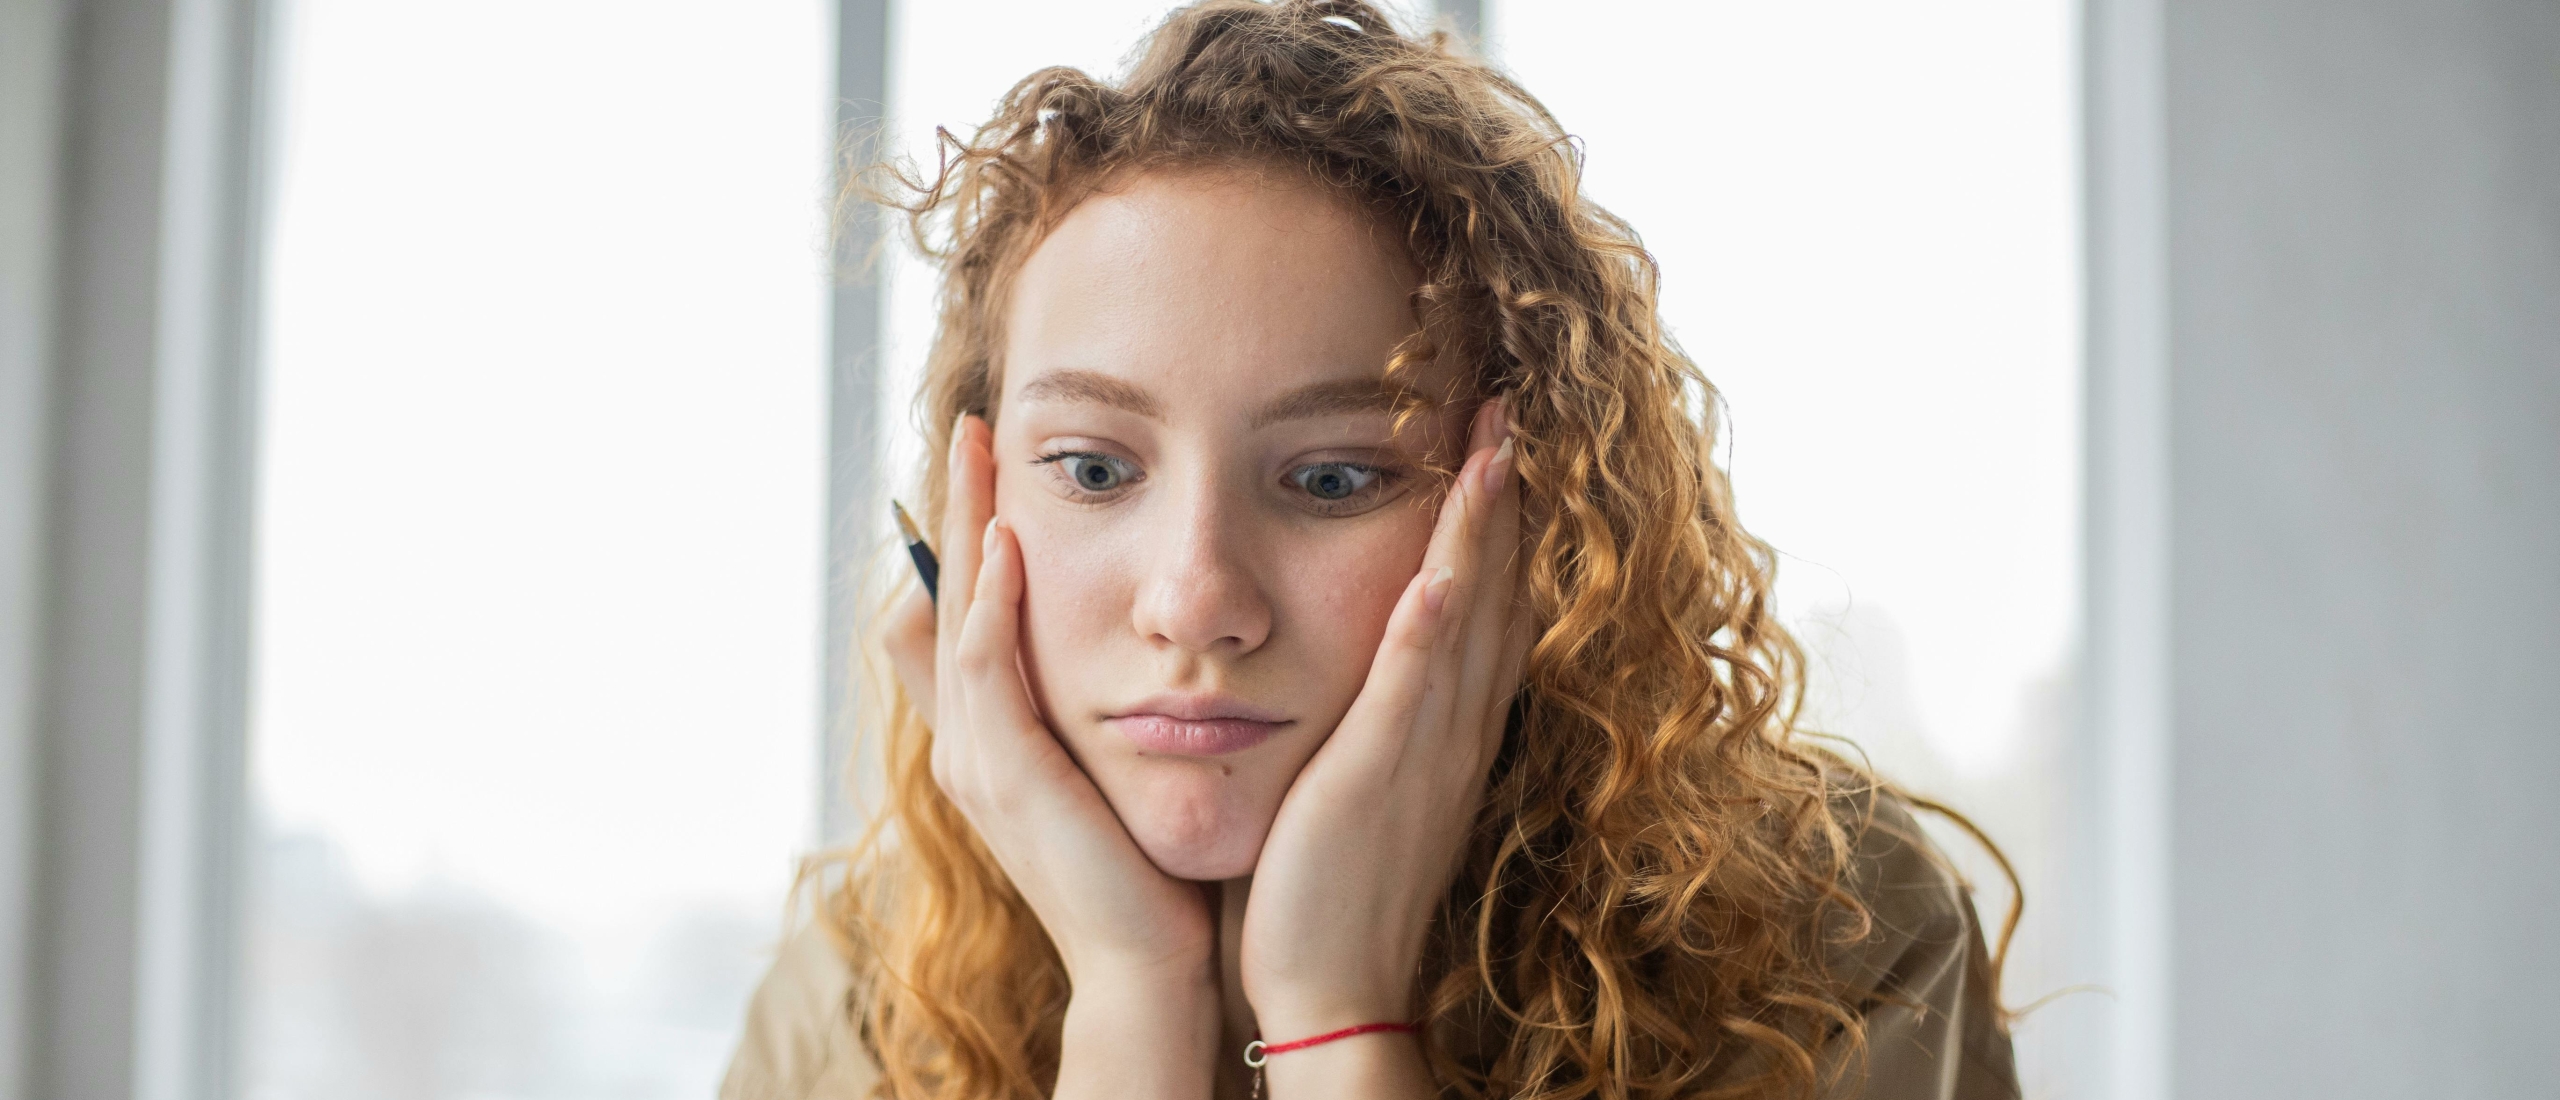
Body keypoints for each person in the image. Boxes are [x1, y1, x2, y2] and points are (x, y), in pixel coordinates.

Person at [723, 2, 2023, 1097]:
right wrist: (1134, 1000)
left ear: (1533, 523)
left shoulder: (1828, 947)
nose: (1195, 603)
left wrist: (1339, 1026)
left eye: (1333, 477)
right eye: (1095, 470)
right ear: (973, 514)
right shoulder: (854, 1003)